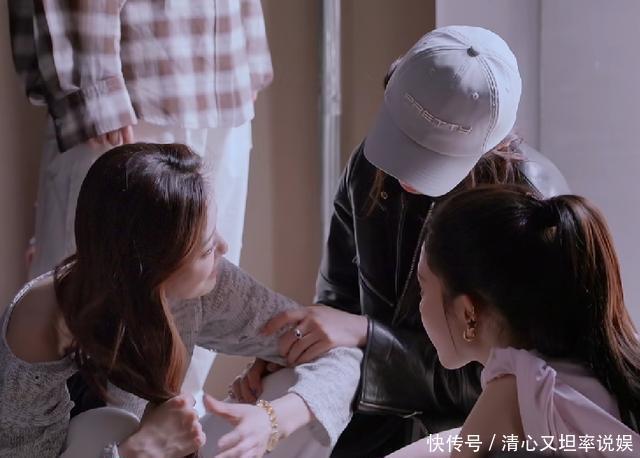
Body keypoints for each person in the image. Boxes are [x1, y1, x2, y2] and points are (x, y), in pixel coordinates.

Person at [236, 26, 570, 456]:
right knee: (271, 399)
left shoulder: (529, 207)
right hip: (378, 399)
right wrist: (297, 346)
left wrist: (365, 334)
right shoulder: (368, 170)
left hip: (481, 420)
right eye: (405, 138)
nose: (406, 174)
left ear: (491, 143)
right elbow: (338, 303)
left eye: (433, 156)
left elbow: (506, 382)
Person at [0, 143, 361, 457]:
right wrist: (142, 450)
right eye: (206, 248)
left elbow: (341, 352)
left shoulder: (209, 283)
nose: (223, 248)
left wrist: (274, 419)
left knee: (296, 382)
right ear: (151, 265)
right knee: (104, 426)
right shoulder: (40, 322)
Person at [8, 0, 273, 414]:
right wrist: (95, 86)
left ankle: (171, 435)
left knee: (199, 299)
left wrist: (249, 52)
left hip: (223, 75)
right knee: (84, 330)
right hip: (132, 83)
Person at [391, 184, 640, 457]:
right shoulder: (607, 366)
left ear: (468, 313)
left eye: (423, 289)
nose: (419, 305)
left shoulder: (515, 393)